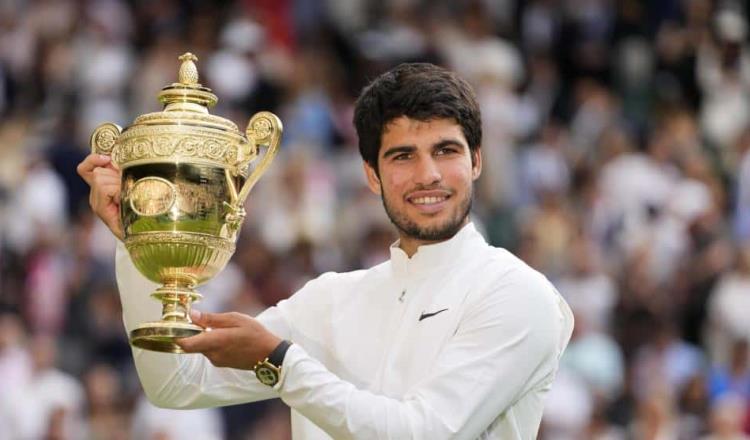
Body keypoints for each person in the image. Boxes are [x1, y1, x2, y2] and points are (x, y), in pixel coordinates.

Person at [77, 62, 574, 439]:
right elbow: (176, 383)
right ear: (371, 175)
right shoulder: (333, 299)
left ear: (477, 161)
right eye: (403, 156)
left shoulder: (518, 294)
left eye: (446, 151)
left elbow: (419, 433)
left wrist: (279, 362)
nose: (428, 175)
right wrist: (139, 239)